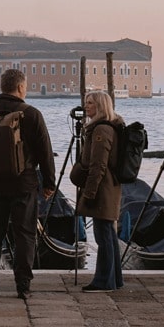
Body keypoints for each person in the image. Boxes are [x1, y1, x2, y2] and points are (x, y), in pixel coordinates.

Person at [0, 68, 56, 299]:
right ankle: (23, 285)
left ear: (2, 86)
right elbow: (45, 152)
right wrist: (49, 182)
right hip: (24, 184)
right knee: (25, 234)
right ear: (20, 87)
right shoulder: (32, 114)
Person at [71, 91, 124, 292]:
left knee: (103, 236)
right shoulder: (107, 127)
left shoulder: (101, 130)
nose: (86, 106)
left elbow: (98, 165)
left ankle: (103, 281)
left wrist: (89, 192)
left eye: (90, 103)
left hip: (102, 188)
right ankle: (114, 279)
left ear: (100, 107)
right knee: (108, 233)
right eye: (86, 102)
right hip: (108, 186)